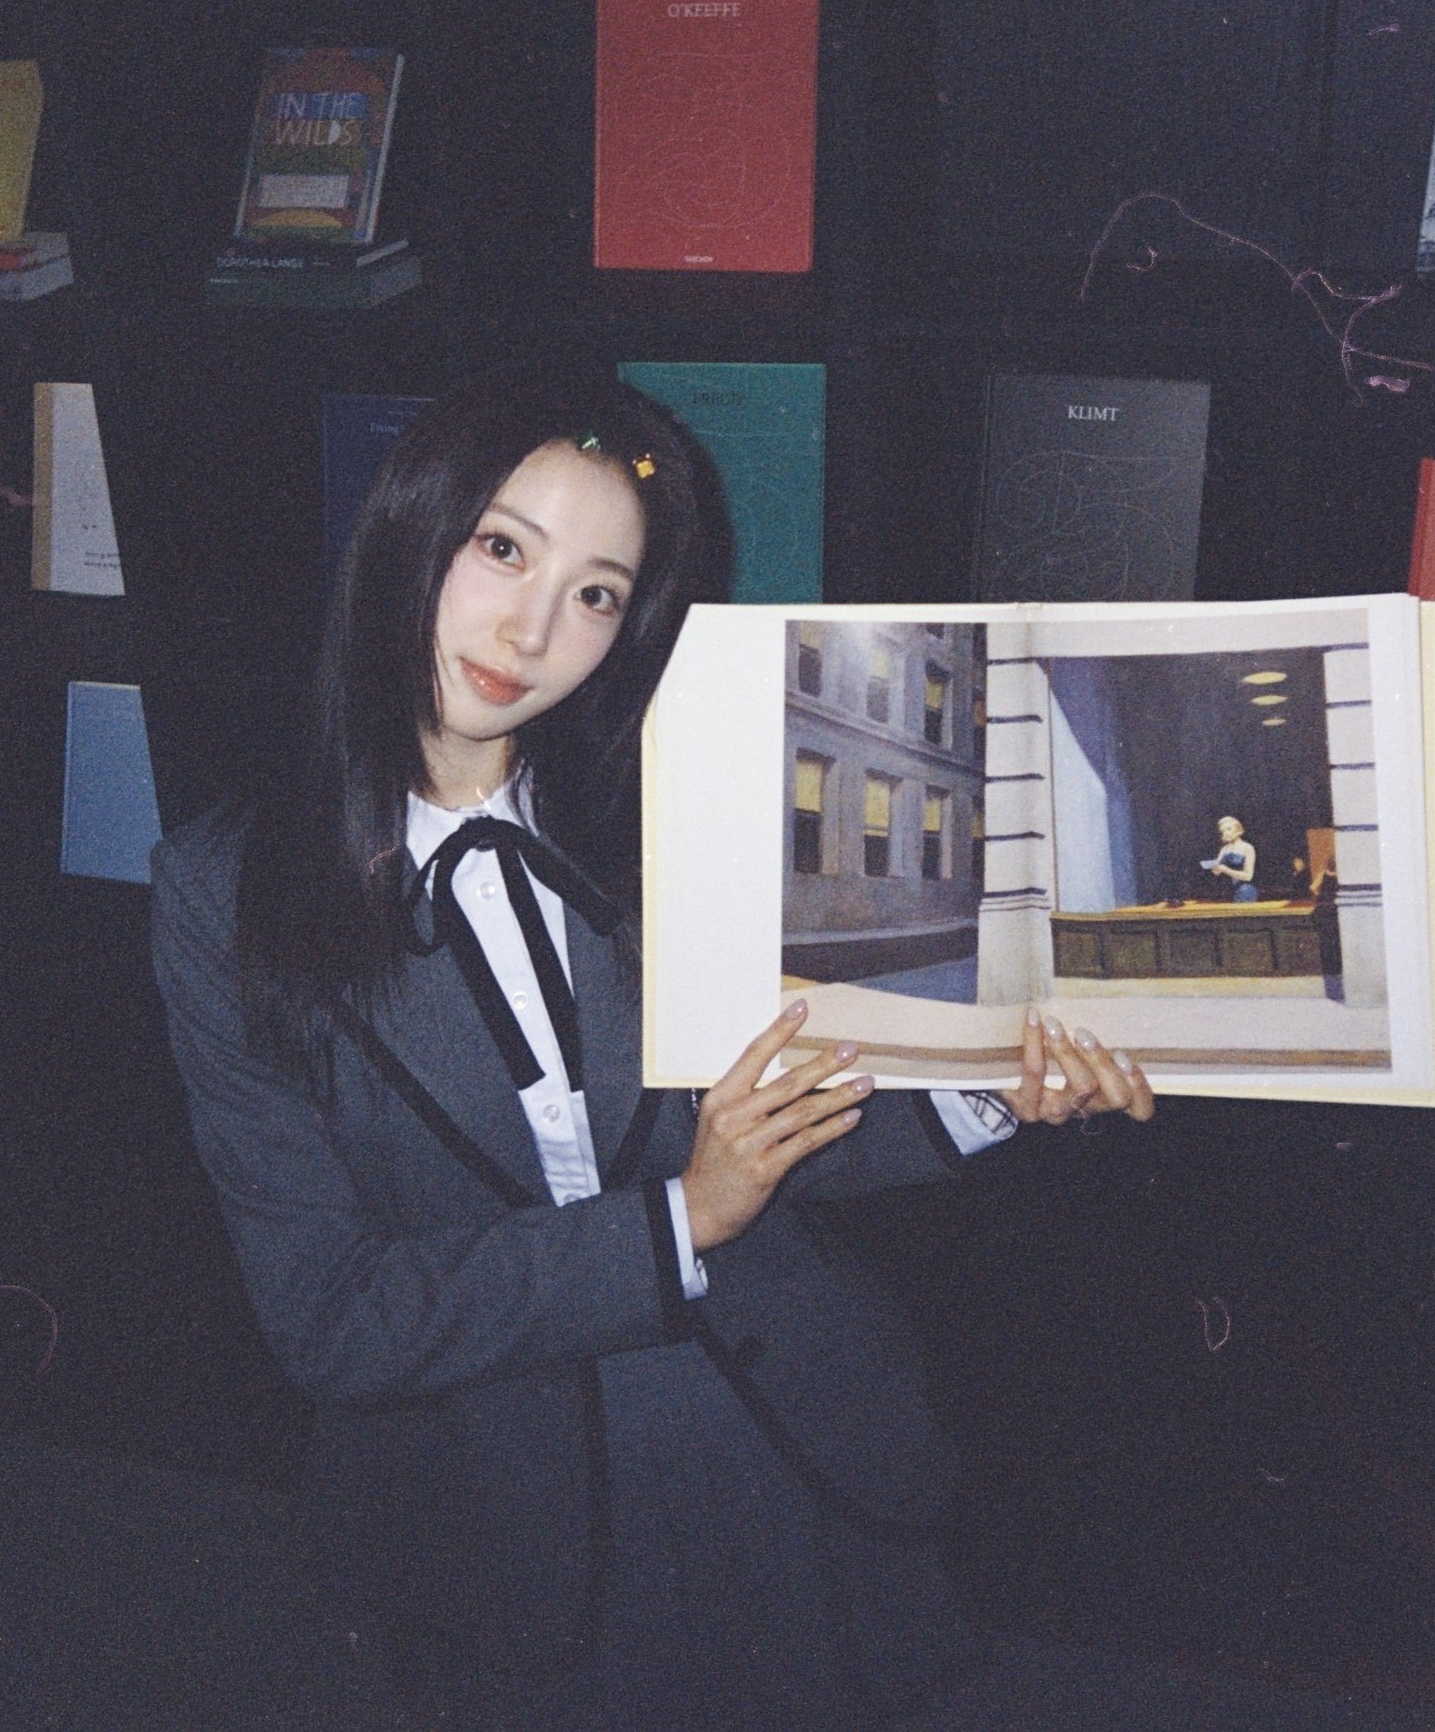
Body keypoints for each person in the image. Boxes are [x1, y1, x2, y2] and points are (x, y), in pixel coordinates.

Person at [151, 372, 1154, 1731]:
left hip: (777, 1414)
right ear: (407, 530)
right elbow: (331, 1313)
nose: (530, 630)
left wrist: (991, 1092)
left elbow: (780, 1123)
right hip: (495, 1489)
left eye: (595, 593)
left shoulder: (677, 809)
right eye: (501, 548)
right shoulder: (224, 891)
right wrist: (682, 1216)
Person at [1200, 814, 1258, 903]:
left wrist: (1225, 870)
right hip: (1228, 890)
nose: (1226, 833)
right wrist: (1215, 869)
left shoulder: (1247, 848)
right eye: (1223, 831)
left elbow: (1248, 876)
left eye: (1229, 829)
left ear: (1238, 829)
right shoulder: (1224, 849)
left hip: (1244, 890)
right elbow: (1217, 871)